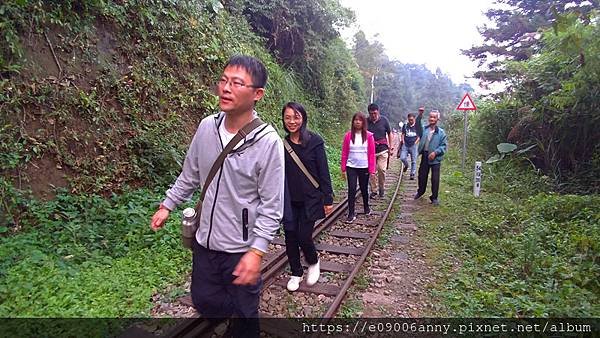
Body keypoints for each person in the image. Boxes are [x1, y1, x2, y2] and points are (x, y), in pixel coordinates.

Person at [149, 55, 284, 335]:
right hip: (205, 241)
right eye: (223, 80)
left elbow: (272, 206)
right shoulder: (206, 127)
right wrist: (168, 205)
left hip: (240, 247)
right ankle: (230, 316)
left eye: (236, 83)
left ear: (257, 94)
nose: (225, 88)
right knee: (203, 299)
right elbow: (190, 174)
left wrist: (257, 251)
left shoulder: (268, 142)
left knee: (247, 317)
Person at [281, 102, 334, 292]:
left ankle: (313, 261)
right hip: (289, 199)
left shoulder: (315, 141)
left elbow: (324, 172)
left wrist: (328, 198)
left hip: (310, 199)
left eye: (296, 117)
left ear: (303, 118)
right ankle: (296, 272)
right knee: (290, 237)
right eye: (288, 117)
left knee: (304, 236)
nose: (292, 121)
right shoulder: (283, 144)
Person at [341, 112, 376, 223]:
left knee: (364, 188)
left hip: (364, 167)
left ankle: (366, 206)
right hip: (351, 166)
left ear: (363, 122)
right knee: (351, 189)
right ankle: (351, 213)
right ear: (353, 122)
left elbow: (371, 154)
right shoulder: (348, 136)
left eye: (360, 120)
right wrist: (343, 168)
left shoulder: (369, 136)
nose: (357, 122)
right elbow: (345, 153)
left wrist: (372, 170)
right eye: (355, 120)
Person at [414, 109, 447, 206]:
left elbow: (443, 146)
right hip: (425, 155)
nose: (432, 119)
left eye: (434, 117)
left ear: (437, 119)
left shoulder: (441, 133)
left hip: (435, 159)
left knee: (435, 179)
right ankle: (420, 191)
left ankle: (434, 197)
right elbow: (417, 125)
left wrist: (435, 153)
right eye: (430, 117)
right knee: (422, 176)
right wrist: (420, 115)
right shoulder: (424, 129)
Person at [366, 103, 393, 198]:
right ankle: (374, 190)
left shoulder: (384, 120)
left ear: (378, 112)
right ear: (369, 113)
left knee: (381, 169)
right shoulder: (366, 122)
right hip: (370, 151)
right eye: (371, 113)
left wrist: (391, 146)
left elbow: (389, 133)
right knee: (371, 172)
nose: (373, 115)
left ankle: (381, 187)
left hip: (383, 149)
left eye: (375, 113)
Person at [398, 112, 420, 180]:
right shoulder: (405, 126)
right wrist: (403, 141)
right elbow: (403, 134)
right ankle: (406, 165)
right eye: (409, 120)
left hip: (413, 145)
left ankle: (412, 173)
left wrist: (415, 142)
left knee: (414, 160)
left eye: (412, 120)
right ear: (408, 119)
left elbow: (419, 136)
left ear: (414, 119)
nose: (410, 121)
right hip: (406, 145)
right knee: (402, 158)